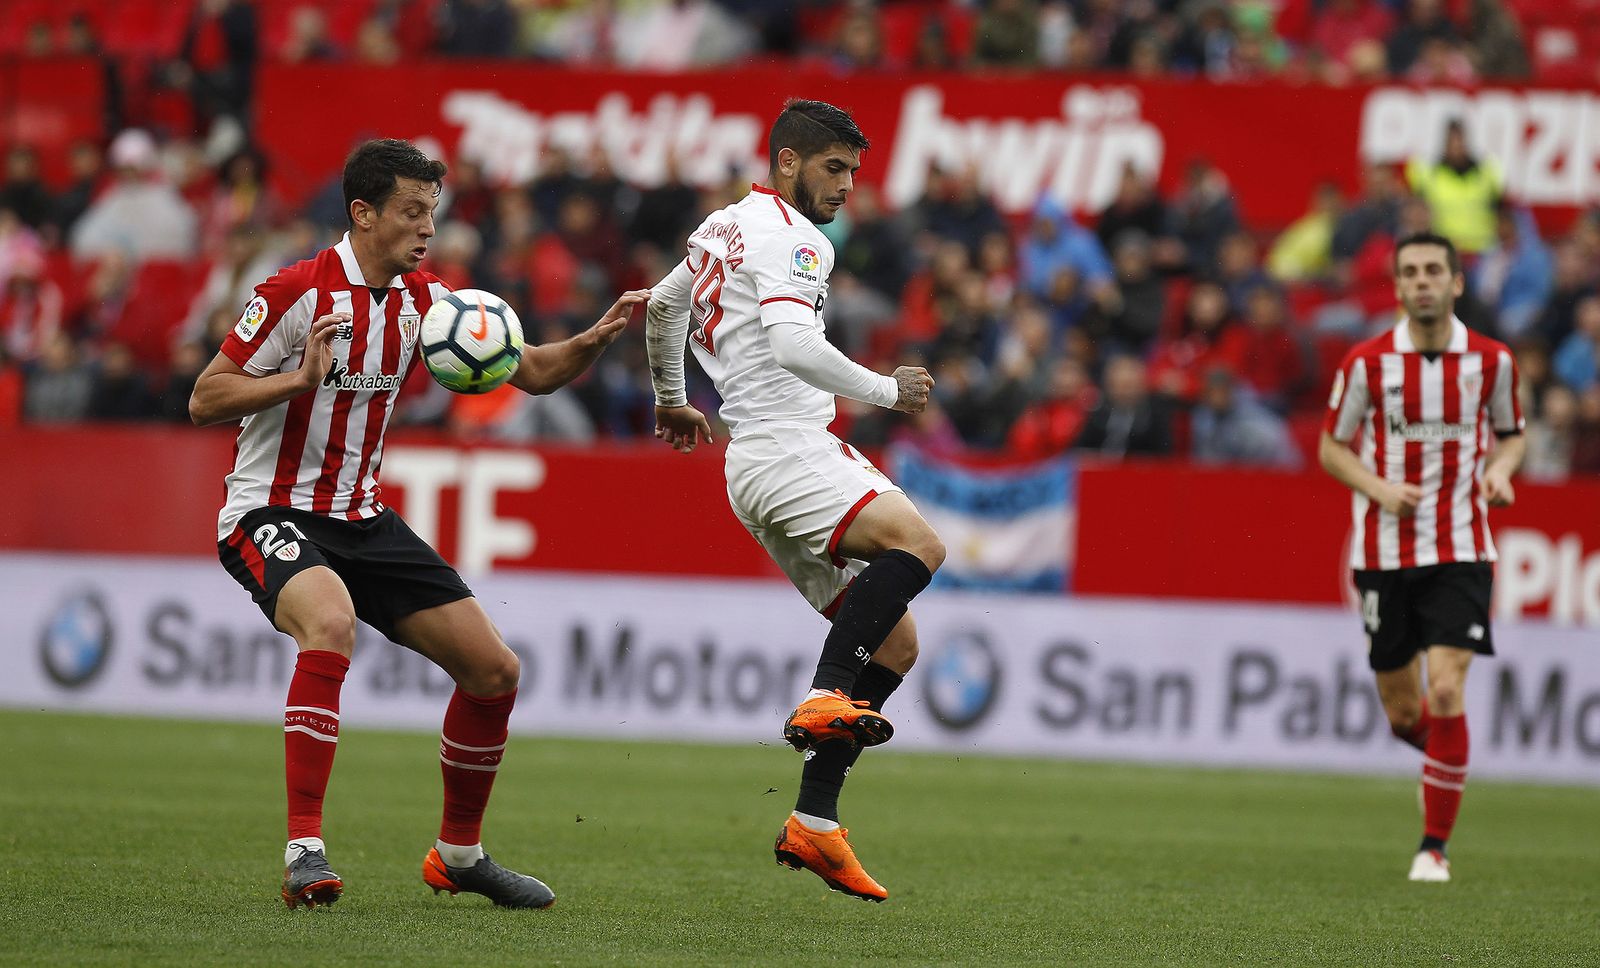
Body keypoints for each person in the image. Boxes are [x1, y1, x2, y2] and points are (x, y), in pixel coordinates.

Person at [188, 139, 645, 911]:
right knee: (330, 624)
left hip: (362, 519)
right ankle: (304, 852)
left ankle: (459, 856)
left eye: (432, 211)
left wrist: (590, 342)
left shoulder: (428, 302)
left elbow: (533, 372)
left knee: (494, 671)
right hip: (270, 510)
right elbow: (206, 396)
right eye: (411, 211)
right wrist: (298, 380)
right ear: (363, 214)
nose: (427, 227)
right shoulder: (296, 290)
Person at [642, 100, 945, 903]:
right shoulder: (795, 236)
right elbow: (792, 343)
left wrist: (671, 397)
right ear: (787, 162)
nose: (846, 186)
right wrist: (887, 390)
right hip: (787, 445)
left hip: (750, 465)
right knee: (920, 546)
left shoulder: (724, 226)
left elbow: (664, 307)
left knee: (895, 646)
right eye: (833, 168)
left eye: (853, 171)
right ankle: (821, 695)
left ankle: (814, 820)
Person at [1319, 231, 1524, 884]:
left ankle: (1433, 848)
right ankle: (1445, 765)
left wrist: (1500, 473)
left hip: (1462, 546)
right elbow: (1331, 447)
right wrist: (1379, 489)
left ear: (1456, 282)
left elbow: (1513, 436)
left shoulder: (1492, 361)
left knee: (1446, 688)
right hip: (1383, 551)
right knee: (1405, 714)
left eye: (1434, 270)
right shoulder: (1366, 363)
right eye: (1410, 273)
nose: (1422, 282)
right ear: (1398, 287)